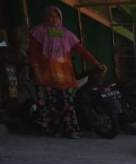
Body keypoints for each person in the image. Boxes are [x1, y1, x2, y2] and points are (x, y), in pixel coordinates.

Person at [29, 6, 106, 138]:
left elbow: (81, 50)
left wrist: (95, 63)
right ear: (45, 17)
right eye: (50, 16)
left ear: (60, 18)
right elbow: (34, 55)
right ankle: (52, 130)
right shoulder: (39, 32)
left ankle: (70, 130)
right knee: (49, 104)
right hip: (45, 76)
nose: (53, 19)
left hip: (63, 77)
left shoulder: (66, 34)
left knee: (66, 104)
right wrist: (37, 72)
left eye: (56, 16)